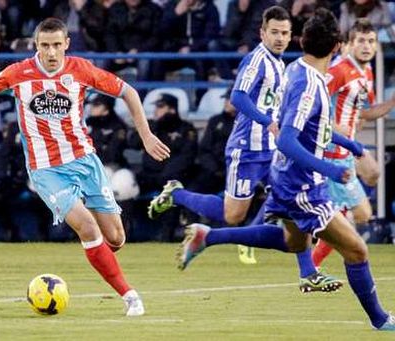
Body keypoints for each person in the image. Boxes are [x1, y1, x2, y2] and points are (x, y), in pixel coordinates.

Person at [0, 17, 171, 317]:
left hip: (84, 160)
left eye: (56, 45)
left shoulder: (81, 70)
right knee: (87, 227)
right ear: (36, 45)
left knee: (115, 237)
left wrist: (146, 134)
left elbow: (127, 91)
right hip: (45, 169)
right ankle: (130, 297)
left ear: (66, 44)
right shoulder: (18, 74)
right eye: (44, 45)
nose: (50, 53)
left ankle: (101, 255)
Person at [177, 9, 395, 331]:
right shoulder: (310, 85)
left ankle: (207, 236)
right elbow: (288, 140)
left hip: (287, 177)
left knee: (294, 243)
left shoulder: (295, 69)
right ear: (337, 46)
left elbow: (309, 127)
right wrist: (330, 169)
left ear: (300, 40)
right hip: (302, 183)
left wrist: (348, 145)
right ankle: (381, 320)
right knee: (357, 249)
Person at [149, 7, 341, 292]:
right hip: (248, 148)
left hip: (273, 150)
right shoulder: (257, 60)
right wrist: (269, 122)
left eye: (284, 33)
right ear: (262, 33)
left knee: (294, 207)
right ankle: (176, 193)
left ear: (292, 36)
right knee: (233, 215)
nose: (279, 38)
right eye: (274, 32)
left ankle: (308, 272)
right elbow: (238, 97)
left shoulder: (280, 64)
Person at [311, 19, 395, 267]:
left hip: (346, 148)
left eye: (371, 41)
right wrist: (337, 127)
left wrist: (391, 104)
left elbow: (365, 112)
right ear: (349, 44)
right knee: (360, 213)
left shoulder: (366, 73)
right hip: (331, 150)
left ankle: (328, 226)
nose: (367, 46)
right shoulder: (339, 70)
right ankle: (312, 264)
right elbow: (313, 102)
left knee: (372, 176)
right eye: (361, 41)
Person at [130, 93, 198, 241]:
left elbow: (186, 157)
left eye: (161, 107)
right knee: (125, 187)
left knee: (173, 189)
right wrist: (151, 128)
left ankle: (167, 236)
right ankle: (124, 234)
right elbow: (132, 143)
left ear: (172, 110)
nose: (156, 111)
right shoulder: (152, 127)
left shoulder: (186, 129)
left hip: (171, 177)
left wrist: (166, 175)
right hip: (148, 175)